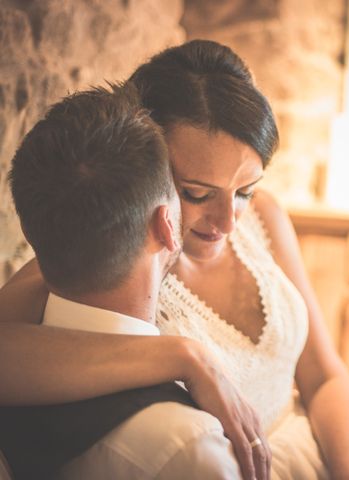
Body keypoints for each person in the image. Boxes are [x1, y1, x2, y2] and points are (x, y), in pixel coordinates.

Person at [0, 40, 349, 480]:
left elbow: (325, 376)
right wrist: (180, 355)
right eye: (196, 193)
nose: (227, 221)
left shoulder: (266, 217)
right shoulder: (107, 256)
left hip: (329, 445)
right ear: (148, 167)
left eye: (245, 191)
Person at [0, 84, 248, 479]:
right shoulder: (193, 448)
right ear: (167, 226)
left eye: (246, 192)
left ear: (31, 237)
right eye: (192, 192)